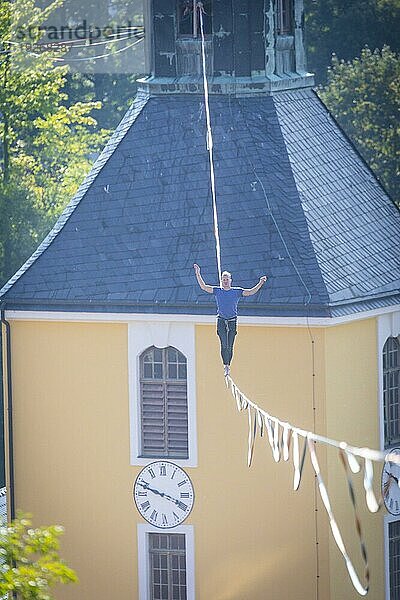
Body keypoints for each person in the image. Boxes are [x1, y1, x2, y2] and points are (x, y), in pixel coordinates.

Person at [193, 264, 267, 376]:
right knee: (224, 344)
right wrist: (198, 273)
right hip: (221, 320)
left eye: (227, 280)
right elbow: (204, 287)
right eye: (223, 280)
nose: (225, 281)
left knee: (230, 345)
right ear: (221, 281)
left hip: (232, 321)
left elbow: (251, 292)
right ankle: (225, 365)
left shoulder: (236, 291)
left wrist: (260, 283)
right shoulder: (218, 291)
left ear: (230, 281)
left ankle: (228, 365)